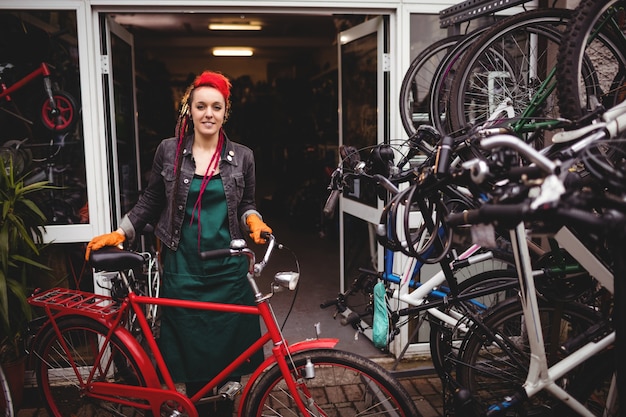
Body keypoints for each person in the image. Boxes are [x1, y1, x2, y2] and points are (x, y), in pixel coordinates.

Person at [85, 70, 272, 416]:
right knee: (189, 348)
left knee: (229, 351)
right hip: (182, 266)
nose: (208, 114)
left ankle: (224, 404)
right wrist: (122, 231)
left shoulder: (243, 156)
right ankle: (194, 405)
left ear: (225, 111)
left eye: (216, 107)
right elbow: (151, 200)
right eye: (201, 106)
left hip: (229, 271)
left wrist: (254, 220)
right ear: (189, 108)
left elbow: (247, 205)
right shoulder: (169, 151)